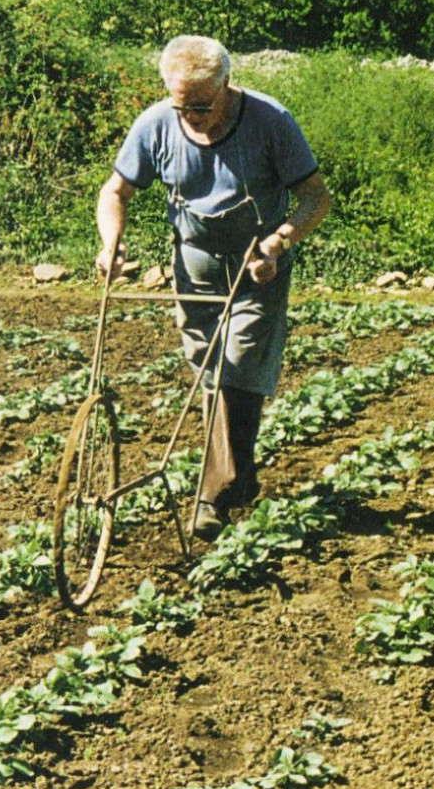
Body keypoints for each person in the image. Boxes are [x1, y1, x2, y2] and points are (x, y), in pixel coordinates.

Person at [96, 34, 331, 541]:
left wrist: (279, 243)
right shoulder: (157, 123)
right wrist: (110, 243)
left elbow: (316, 198)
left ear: (226, 84)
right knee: (209, 372)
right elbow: (116, 191)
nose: (192, 116)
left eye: (202, 105)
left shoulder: (271, 121)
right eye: (183, 105)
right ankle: (237, 481)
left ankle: (214, 497)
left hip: (256, 262)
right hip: (195, 263)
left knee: (239, 367)